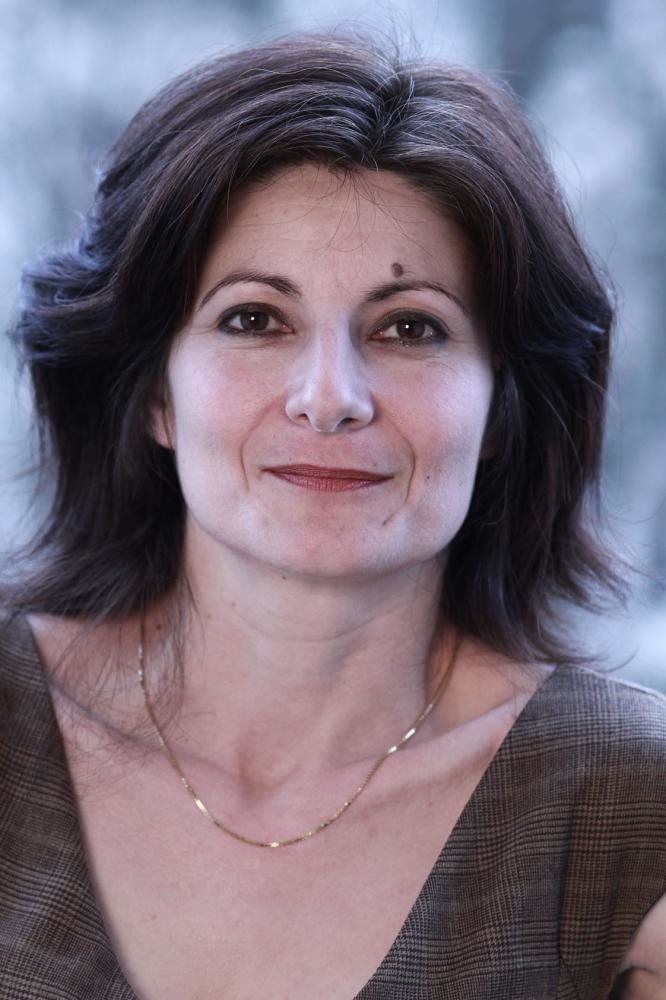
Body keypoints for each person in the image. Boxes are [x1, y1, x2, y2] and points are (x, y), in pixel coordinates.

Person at [0, 29, 664, 1000]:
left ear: (501, 410)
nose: (329, 398)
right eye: (254, 318)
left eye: (409, 328)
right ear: (153, 392)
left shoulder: (630, 808)